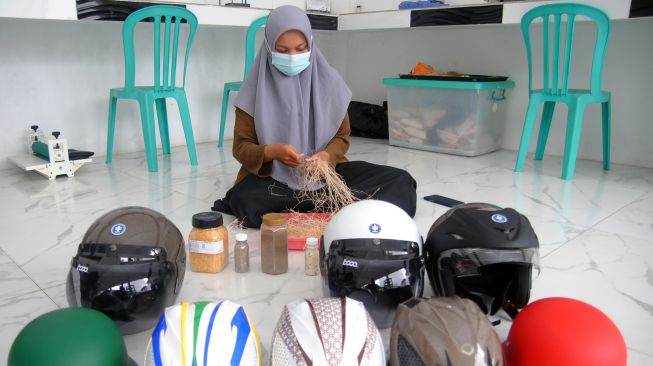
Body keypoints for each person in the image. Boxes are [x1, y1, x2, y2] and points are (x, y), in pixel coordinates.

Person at [212, 5, 416, 228]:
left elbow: (342, 138)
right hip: (272, 180)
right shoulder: (253, 91)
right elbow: (241, 148)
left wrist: (326, 157)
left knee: (400, 181)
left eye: (301, 49)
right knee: (245, 197)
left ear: (311, 44)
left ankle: (299, 212)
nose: (293, 57)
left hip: (325, 178)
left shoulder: (329, 84)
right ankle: (339, 209)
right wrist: (272, 152)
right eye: (282, 50)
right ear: (269, 48)